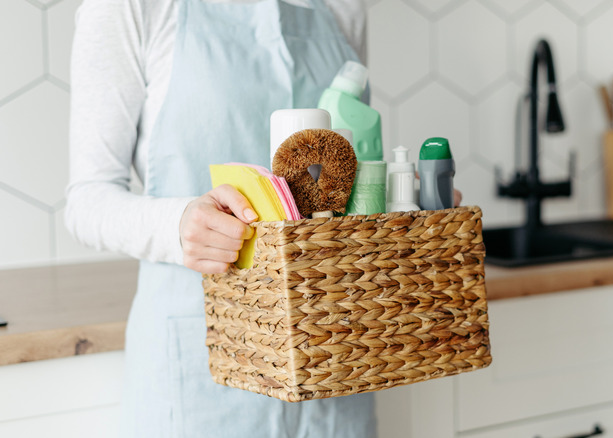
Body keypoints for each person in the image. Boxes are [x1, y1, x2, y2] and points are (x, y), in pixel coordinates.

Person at [65, 0, 378, 436]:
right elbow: (86, 200)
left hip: (335, 348)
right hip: (200, 356)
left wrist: (409, 199)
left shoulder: (343, 9)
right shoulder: (131, 8)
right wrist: (177, 224)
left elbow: (351, 169)